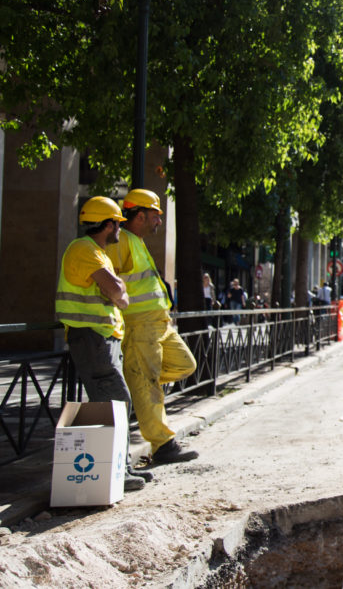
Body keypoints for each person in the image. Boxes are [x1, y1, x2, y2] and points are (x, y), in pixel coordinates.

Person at [55, 196, 147, 491]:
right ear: (108, 225)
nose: (120, 228)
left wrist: (117, 291)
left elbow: (117, 291)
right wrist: (116, 291)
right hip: (92, 337)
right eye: (118, 223)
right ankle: (118, 471)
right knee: (115, 400)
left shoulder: (94, 251)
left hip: (99, 337)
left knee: (112, 402)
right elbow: (116, 290)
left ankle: (121, 468)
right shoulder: (84, 250)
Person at [106, 188, 199, 466]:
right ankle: (163, 445)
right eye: (156, 216)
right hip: (140, 326)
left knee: (187, 365)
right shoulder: (121, 242)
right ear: (141, 216)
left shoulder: (135, 240)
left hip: (159, 325)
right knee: (148, 385)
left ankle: (141, 387)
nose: (159, 221)